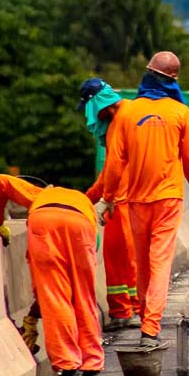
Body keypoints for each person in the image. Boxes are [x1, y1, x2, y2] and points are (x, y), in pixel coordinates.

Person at [98, 51, 189, 348]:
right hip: (168, 200)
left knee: (143, 263)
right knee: (160, 263)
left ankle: (143, 314)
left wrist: (108, 198)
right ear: (173, 81)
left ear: (147, 75)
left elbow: (114, 163)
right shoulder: (180, 113)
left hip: (135, 200)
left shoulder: (127, 113)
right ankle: (150, 327)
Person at [0, 174, 104, 376]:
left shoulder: (40, 194)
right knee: (84, 297)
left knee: (54, 296)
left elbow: (1, 182)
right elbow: (92, 246)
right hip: (81, 224)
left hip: (44, 222)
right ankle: (92, 369)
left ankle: (68, 367)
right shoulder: (82, 199)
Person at [77, 78, 141, 330]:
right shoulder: (134, 111)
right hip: (139, 198)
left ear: (96, 103)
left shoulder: (119, 123)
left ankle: (122, 311)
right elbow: (108, 174)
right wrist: (84, 199)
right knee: (132, 258)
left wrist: (106, 200)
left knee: (117, 258)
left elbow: (113, 171)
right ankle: (135, 306)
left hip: (120, 202)